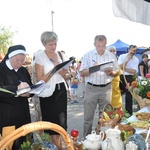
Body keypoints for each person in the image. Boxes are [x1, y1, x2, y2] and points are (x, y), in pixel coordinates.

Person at [79, 35, 119, 138]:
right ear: (94, 45)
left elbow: (117, 72)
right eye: (98, 46)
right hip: (91, 88)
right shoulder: (88, 55)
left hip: (106, 88)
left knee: (105, 117)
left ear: (106, 44)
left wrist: (111, 72)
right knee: (88, 118)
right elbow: (82, 73)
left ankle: (104, 140)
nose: (101, 48)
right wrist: (93, 68)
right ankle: (86, 141)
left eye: (103, 46)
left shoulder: (111, 56)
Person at [34, 31, 68, 150]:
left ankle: (59, 147)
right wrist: (54, 70)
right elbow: (40, 80)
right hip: (48, 94)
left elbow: (66, 76)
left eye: (55, 44)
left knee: (61, 123)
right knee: (51, 126)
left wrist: (64, 73)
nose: (53, 47)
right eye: (50, 45)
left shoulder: (61, 54)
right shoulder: (40, 57)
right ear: (44, 44)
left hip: (61, 91)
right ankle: (55, 147)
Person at [0, 45, 32, 150]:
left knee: (24, 142)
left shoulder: (23, 70)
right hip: (7, 114)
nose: (19, 63)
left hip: (23, 112)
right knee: (9, 143)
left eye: (22, 60)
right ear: (9, 57)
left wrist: (29, 93)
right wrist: (16, 88)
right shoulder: (1, 69)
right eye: (17, 60)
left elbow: (30, 86)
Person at [118, 45, 139, 115]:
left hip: (130, 78)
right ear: (129, 49)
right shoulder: (122, 56)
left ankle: (128, 113)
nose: (133, 52)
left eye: (135, 51)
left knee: (129, 96)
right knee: (118, 95)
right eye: (132, 50)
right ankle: (117, 113)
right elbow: (120, 67)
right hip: (121, 77)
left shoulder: (136, 59)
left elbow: (134, 71)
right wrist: (128, 59)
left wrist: (124, 69)